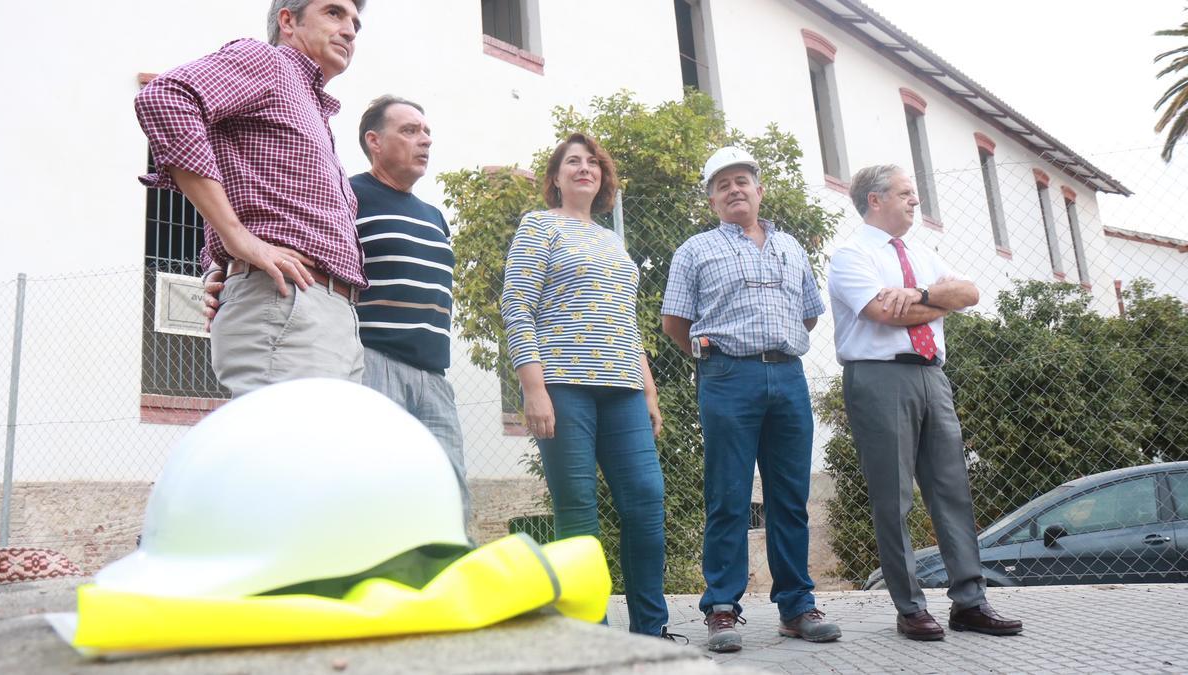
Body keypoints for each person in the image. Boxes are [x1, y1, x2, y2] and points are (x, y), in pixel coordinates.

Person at [204, 95, 472, 531]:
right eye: (409, 131)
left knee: (448, 494)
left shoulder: (434, 216)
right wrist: (217, 272)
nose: (424, 140)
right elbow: (266, 227)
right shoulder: (347, 197)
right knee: (374, 492)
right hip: (372, 363)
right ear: (374, 142)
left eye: (426, 132)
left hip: (434, 378)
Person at [827, 164, 1023, 641]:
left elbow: (971, 293)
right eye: (905, 193)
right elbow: (882, 313)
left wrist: (919, 293)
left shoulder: (921, 253)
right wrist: (940, 301)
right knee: (893, 497)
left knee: (952, 489)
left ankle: (970, 602)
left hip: (932, 377)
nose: (915, 201)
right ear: (875, 200)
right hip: (878, 378)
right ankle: (910, 608)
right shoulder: (851, 256)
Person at [136, 0, 367, 397]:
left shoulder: (313, 109)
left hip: (332, 318)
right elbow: (166, 98)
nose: (349, 29)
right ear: (288, 21)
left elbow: (246, 189)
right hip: (288, 305)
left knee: (324, 457)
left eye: (355, 23)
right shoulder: (267, 63)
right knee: (290, 456)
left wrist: (216, 264)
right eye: (334, 12)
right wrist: (236, 239)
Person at [661, 147, 841, 652]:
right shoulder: (694, 251)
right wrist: (713, 357)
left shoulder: (793, 249)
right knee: (728, 495)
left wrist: (772, 344)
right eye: (723, 185)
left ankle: (798, 607)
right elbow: (674, 323)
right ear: (713, 200)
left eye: (743, 181)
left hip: (787, 377)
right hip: (726, 378)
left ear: (759, 190)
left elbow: (808, 313)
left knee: (790, 497)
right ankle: (721, 607)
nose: (735, 189)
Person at [500, 133, 672, 639]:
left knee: (646, 500)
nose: (584, 168)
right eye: (572, 161)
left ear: (603, 178)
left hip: (622, 388)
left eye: (592, 162)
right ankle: (589, 635)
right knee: (577, 512)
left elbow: (626, 320)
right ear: (555, 178)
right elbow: (517, 305)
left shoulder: (612, 240)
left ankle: (651, 632)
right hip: (564, 387)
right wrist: (534, 388)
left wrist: (649, 390)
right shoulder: (539, 226)